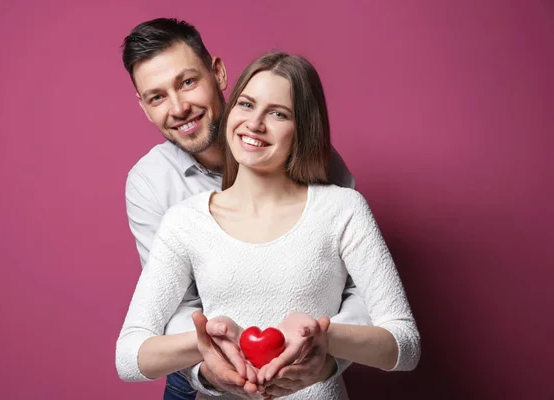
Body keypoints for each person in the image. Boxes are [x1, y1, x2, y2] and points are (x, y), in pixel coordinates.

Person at [116, 50, 421, 399]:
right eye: (246, 105)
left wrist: (324, 337)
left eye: (278, 113)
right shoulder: (184, 220)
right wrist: (205, 344)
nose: (255, 124)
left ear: (303, 128)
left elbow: (406, 345)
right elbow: (128, 356)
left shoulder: (342, 208)